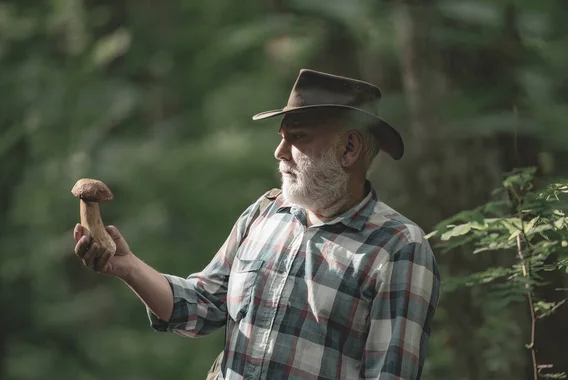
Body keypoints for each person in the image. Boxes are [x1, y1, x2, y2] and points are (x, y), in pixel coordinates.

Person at [73, 69, 440, 379]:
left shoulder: (398, 247)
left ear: (349, 149)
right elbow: (202, 306)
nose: (279, 153)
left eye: (297, 138)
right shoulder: (265, 212)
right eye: (281, 138)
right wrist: (128, 266)